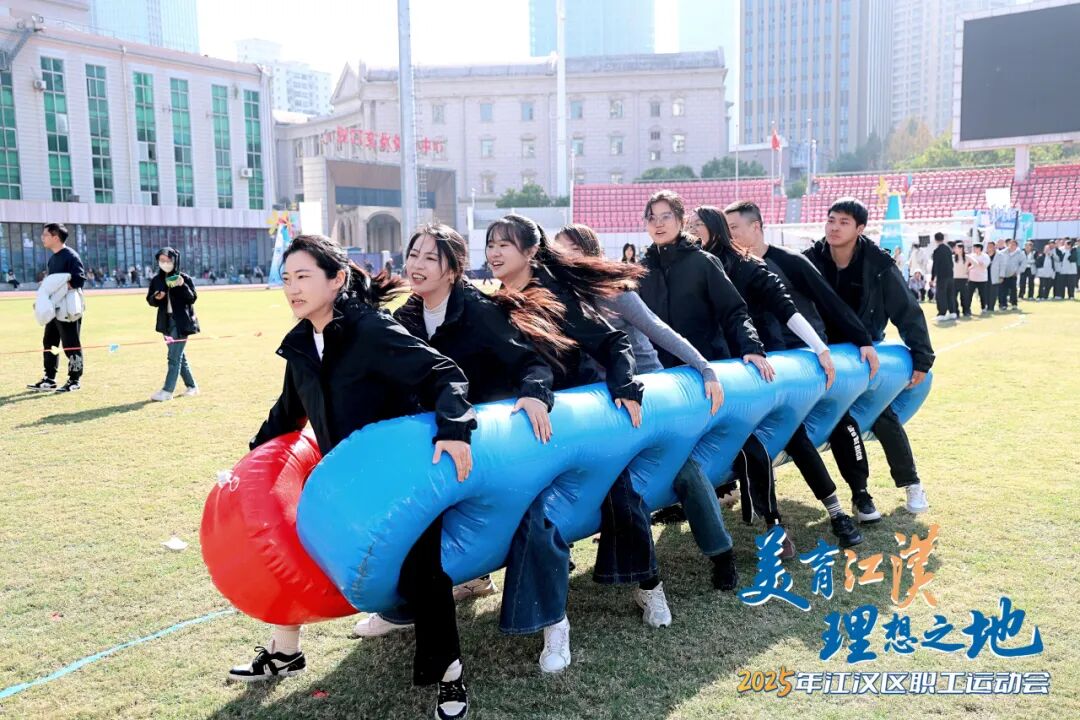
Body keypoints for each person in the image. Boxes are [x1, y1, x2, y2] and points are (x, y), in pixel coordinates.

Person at [227, 234, 477, 720]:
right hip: (344, 481)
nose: (292, 288)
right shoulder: (303, 342)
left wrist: (454, 429)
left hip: (400, 476)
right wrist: (248, 465)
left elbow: (444, 373)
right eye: (286, 278)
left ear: (336, 279)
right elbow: (287, 413)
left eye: (303, 277)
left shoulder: (371, 330)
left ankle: (450, 675)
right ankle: (285, 651)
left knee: (421, 571)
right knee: (290, 548)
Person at [486, 213, 668, 674]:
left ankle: (649, 585)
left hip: (579, 415)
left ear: (531, 251)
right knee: (534, 513)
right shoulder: (492, 302)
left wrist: (625, 385)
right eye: (490, 244)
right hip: (530, 420)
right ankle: (554, 621)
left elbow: (613, 343)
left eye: (505, 244)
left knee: (621, 494)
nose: (494, 252)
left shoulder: (556, 294)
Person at [355, 223, 558, 636]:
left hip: (488, 434)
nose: (417, 265)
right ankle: (447, 589)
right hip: (440, 429)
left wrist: (536, 393)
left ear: (452, 269)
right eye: (414, 255)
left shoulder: (478, 312)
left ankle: (413, 605)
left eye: (431, 258)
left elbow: (530, 363)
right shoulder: (408, 314)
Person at [554, 223, 742, 576]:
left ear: (589, 252)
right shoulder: (560, 297)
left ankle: (721, 553)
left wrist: (704, 367)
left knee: (681, 469)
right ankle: (564, 553)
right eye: (559, 250)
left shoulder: (616, 291)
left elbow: (658, 329)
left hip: (648, 389)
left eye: (571, 249)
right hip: (603, 400)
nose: (564, 257)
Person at [635, 191, 797, 560]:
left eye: (666, 216)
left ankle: (773, 522)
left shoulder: (703, 262)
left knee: (745, 444)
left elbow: (734, 311)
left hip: (712, 372)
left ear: (680, 220)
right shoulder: (640, 271)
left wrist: (751, 347)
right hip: (664, 380)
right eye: (651, 217)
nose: (658, 223)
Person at [725, 199, 885, 531]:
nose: (730, 235)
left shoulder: (789, 262)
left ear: (756, 227)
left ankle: (860, 494)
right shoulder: (725, 266)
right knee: (781, 429)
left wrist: (862, 340)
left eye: (734, 228)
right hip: (764, 362)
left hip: (804, 356)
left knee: (837, 417)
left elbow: (829, 300)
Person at [804, 197, 933, 515]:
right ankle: (860, 494)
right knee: (840, 419)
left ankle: (911, 483)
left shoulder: (878, 264)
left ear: (860, 229)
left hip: (865, 353)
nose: (834, 228)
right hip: (824, 354)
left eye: (844, 222)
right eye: (831, 220)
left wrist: (921, 357)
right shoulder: (810, 259)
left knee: (883, 415)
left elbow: (906, 310)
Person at [26, 223, 86, 393]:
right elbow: (51, 286)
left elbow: (78, 280)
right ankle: (49, 378)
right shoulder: (53, 259)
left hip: (68, 309)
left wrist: (56, 295)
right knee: (50, 342)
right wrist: (44, 302)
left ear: (55, 237)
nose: (42, 238)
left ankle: (74, 380)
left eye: (45, 235)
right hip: (53, 309)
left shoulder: (70, 256)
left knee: (70, 344)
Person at [145, 248, 200, 401]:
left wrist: (182, 285)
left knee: (173, 358)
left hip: (181, 323)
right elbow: (150, 300)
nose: (165, 263)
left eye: (168, 260)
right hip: (166, 322)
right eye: (161, 260)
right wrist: (157, 297)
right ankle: (192, 386)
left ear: (175, 260)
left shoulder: (184, 278)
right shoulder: (156, 280)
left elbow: (192, 298)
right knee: (179, 356)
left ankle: (167, 391)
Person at [930, 232, 956, 322]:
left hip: (942, 276)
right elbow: (951, 263)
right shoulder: (948, 249)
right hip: (950, 275)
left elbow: (935, 265)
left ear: (935, 239)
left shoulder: (937, 251)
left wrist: (932, 278)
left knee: (941, 295)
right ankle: (952, 312)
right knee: (950, 294)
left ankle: (942, 313)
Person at [967, 243, 992, 312]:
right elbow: (968, 264)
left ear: (979, 248)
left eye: (975, 248)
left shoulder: (985, 256)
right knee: (969, 294)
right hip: (972, 278)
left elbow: (984, 265)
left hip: (982, 279)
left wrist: (977, 264)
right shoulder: (971, 256)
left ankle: (983, 307)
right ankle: (967, 308)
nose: (974, 249)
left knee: (982, 294)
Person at [999, 239, 1023, 310]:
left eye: (1014, 245)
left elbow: (1023, 264)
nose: (1012, 246)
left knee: (1013, 290)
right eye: (1010, 244)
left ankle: (1014, 304)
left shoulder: (1020, 254)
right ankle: (1003, 304)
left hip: (1013, 275)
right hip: (1003, 275)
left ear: (1016, 246)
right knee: (1003, 290)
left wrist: (1018, 271)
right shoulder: (1002, 253)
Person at [952, 242, 972, 318]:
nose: (958, 250)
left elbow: (976, 264)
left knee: (964, 297)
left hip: (963, 279)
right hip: (954, 279)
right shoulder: (952, 257)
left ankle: (966, 311)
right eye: (957, 248)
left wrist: (968, 269)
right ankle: (955, 311)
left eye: (960, 248)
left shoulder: (967, 257)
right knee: (953, 297)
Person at [987, 241, 1004, 312]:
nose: (989, 248)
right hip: (985, 276)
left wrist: (1001, 276)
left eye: (991, 246)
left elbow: (1002, 266)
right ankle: (986, 306)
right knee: (985, 291)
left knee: (993, 292)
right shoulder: (985, 254)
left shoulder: (1000, 255)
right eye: (988, 246)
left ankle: (991, 307)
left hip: (995, 276)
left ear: (994, 247)